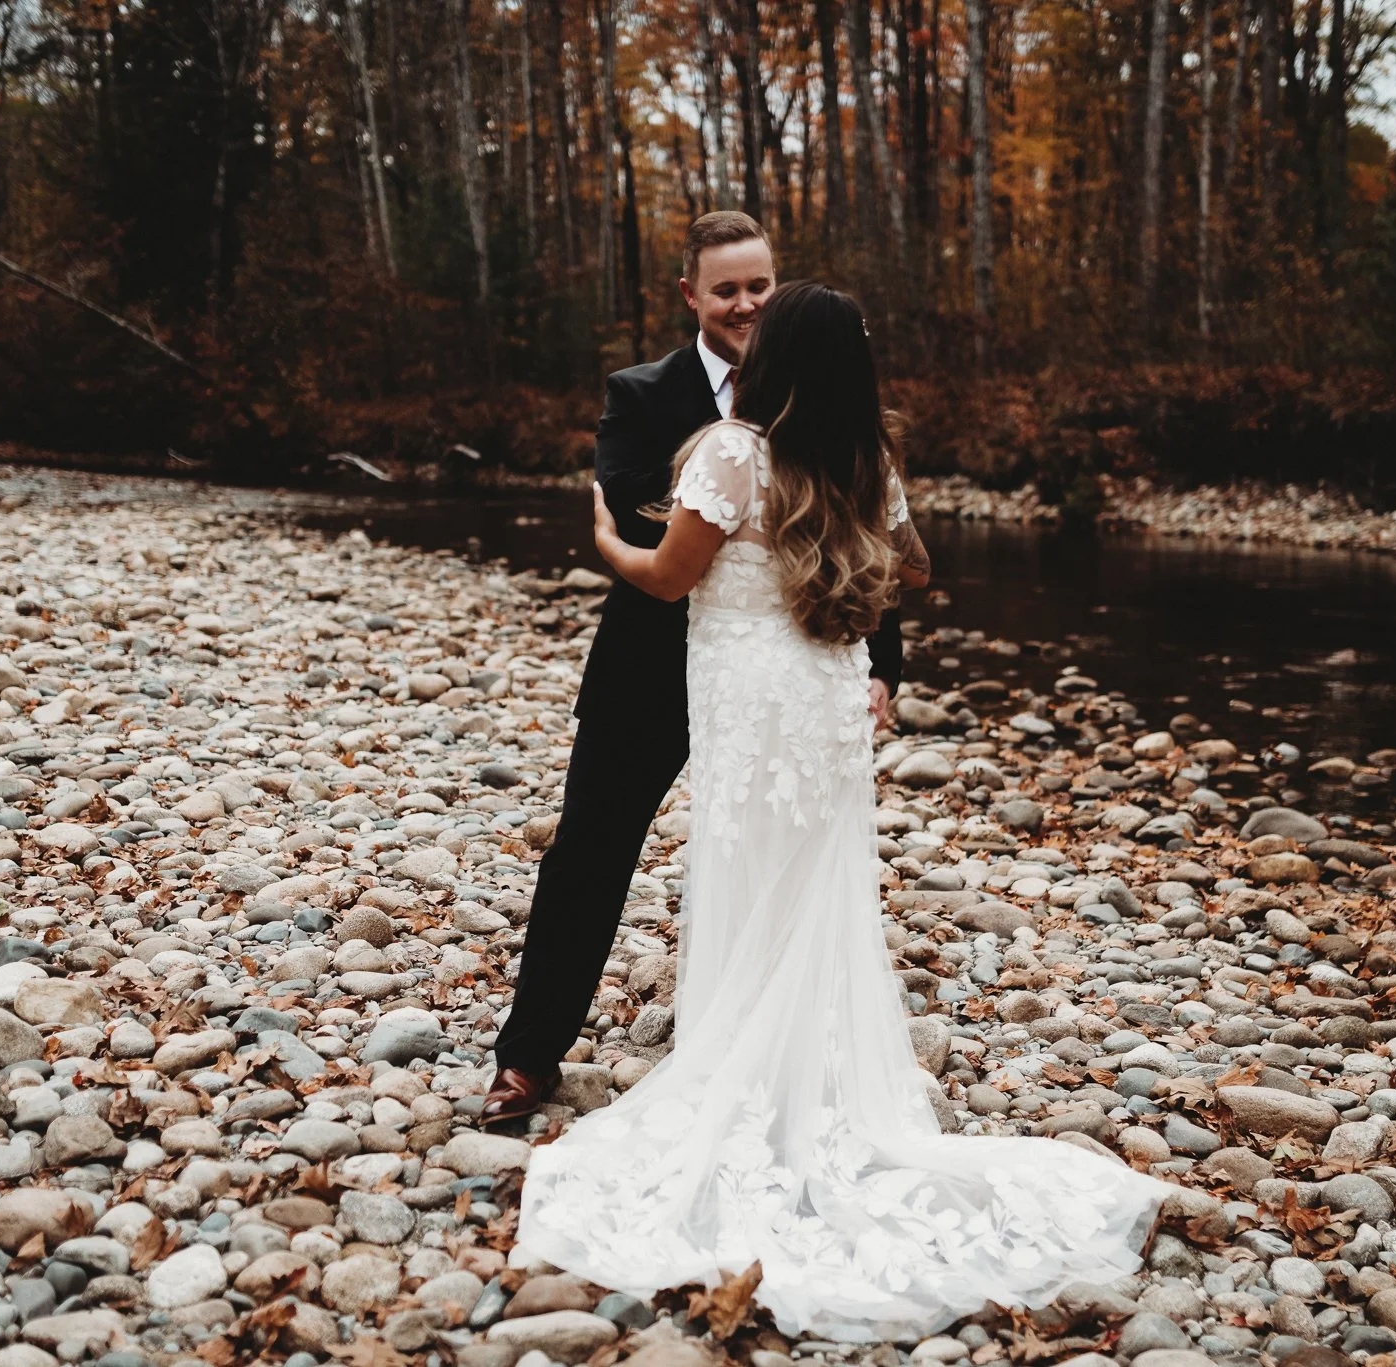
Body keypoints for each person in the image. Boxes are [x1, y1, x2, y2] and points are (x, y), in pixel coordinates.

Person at [512, 282, 1168, 1341]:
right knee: (810, 889)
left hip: (752, 698)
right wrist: (834, 580)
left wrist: (603, 539)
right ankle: (806, 1089)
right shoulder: (862, 458)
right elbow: (913, 564)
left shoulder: (732, 451)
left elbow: (671, 577)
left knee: (745, 876)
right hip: (821, 695)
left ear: (770, 359)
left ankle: (746, 1095)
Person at [482, 213, 902, 1128]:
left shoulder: (820, 393)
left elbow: (864, 538)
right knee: (589, 850)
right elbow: (647, 526)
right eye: (727, 289)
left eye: (760, 286)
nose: (746, 302)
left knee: (776, 864)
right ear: (692, 295)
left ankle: (773, 1058)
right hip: (652, 669)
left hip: (781, 676)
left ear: (776, 288)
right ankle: (527, 1054)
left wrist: (884, 668)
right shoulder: (642, 392)